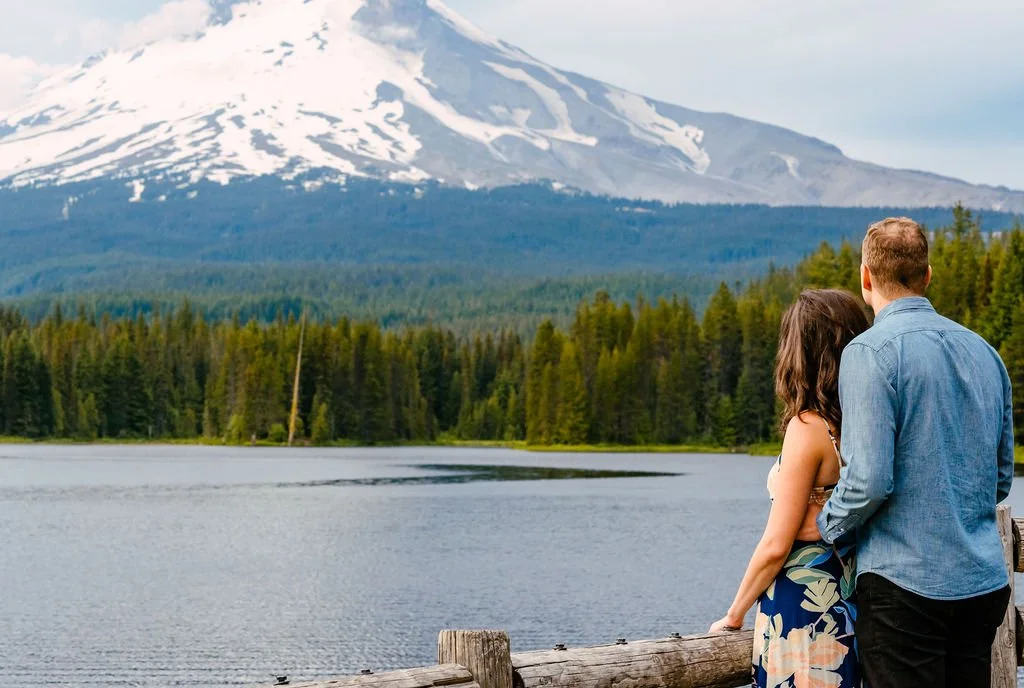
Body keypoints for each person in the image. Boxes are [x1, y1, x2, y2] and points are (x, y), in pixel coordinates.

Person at [818, 217, 1014, 688]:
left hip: (905, 591)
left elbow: (869, 482)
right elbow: (1000, 478)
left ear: (866, 278)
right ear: (927, 275)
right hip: (981, 585)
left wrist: (827, 523)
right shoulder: (986, 353)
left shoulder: (869, 353)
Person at [709, 289, 869, 688]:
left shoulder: (807, 428)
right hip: (846, 603)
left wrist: (734, 614)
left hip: (800, 610)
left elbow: (777, 543)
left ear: (800, 353)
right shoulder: (862, 424)